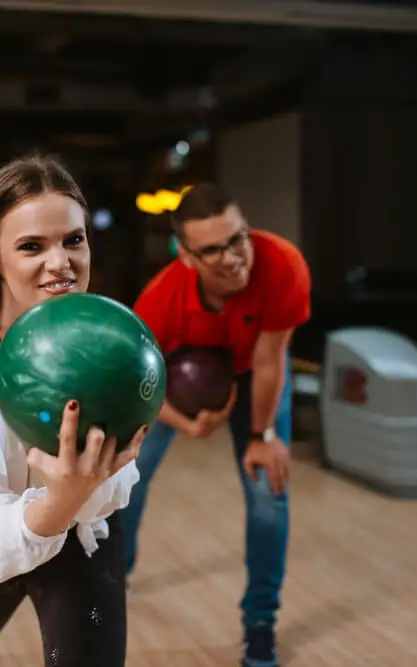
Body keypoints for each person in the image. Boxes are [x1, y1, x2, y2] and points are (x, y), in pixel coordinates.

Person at [0, 154, 146, 667]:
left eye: (73, 240)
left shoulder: (107, 340)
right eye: (32, 246)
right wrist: (58, 499)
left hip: (82, 526)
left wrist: (72, 499)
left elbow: (122, 472)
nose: (59, 262)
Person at [121, 183, 311, 667]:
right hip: (174, 379)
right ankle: (113, 576)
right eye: (212, 250)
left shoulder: (282, 264)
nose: (232, 258)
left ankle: (260, 622)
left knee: (269, 490)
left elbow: (270, 362)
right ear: (186, 256)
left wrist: (261, 436)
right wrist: (183, 424)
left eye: (237, 239)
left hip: (255, 375)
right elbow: (134, 389)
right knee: (129, 476)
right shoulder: (161, 301)